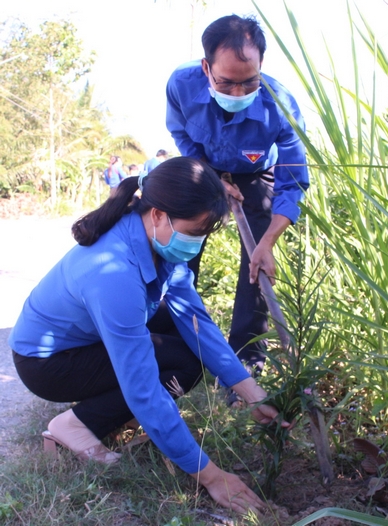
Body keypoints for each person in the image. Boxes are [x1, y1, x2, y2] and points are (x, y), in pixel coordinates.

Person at [8, 157, 289, 514]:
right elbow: (142, 386)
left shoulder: (157, 242)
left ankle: (114, 416)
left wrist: (249, 391)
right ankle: (75, 425)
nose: (197, 242)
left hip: (84, 340)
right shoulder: (113, 272)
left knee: (187, 342)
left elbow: (194, 319)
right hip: (47, 364)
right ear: (158, 214)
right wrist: (214, 478)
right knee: (171, 370)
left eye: (204, 233)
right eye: (195, 230)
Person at [166, 15, 309, 386]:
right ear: (206, 68)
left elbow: (292, 181)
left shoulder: (281, 107)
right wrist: (210, 176)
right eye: (225, 82)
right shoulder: (181, 84)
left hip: (258, 173)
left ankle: (246, 360)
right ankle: (173, 342)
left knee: (256, 266)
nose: (236, 92)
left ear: (261, 66)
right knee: (181, 245)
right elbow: (181, 133)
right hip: (204, 164)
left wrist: (268, 242)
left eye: (248, 81)